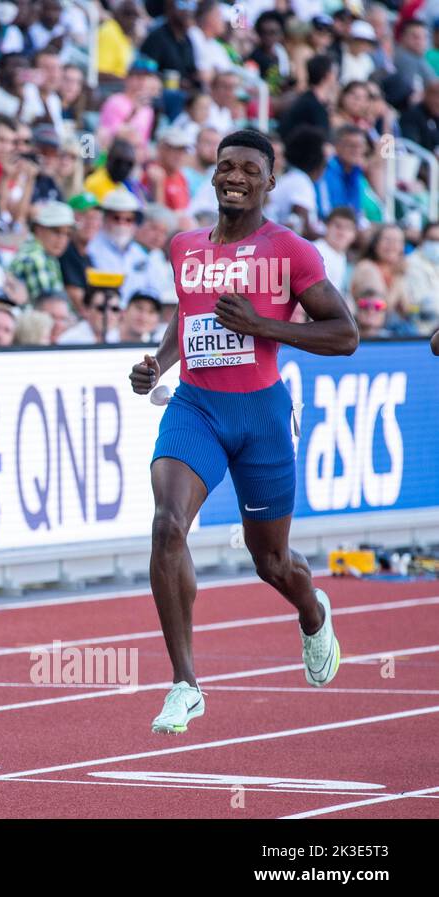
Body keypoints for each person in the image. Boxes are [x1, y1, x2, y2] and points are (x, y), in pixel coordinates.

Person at [129, 128, 358, 736]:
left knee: (271, 560)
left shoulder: (292, 251)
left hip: (260, 415)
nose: (235, 177)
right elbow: (189, 317)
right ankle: (185, 684)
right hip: (196, 408)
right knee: (167, 524)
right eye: (226, 167)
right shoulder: (184, 247)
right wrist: (159, 362)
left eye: (249, 170)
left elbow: (345, 335)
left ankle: (312, 613)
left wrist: (266, 327)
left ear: (269, 183)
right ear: (213, 176)